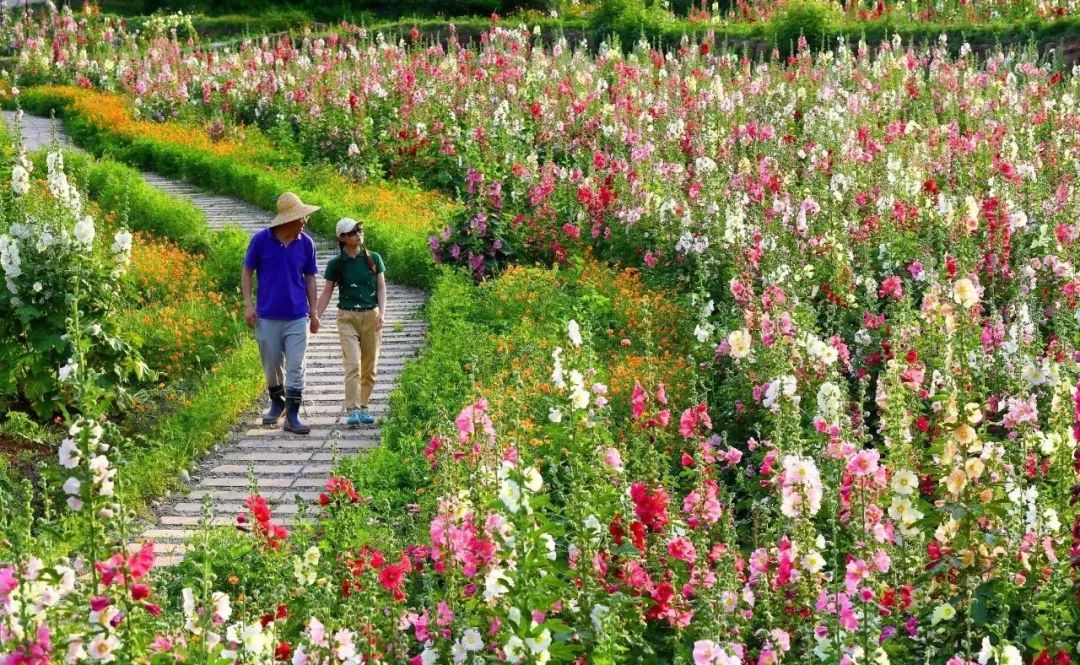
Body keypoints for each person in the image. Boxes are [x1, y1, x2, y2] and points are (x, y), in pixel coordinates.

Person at [242, 192, 322, 435]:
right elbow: (247, 272)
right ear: (287, 220)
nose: (304, 222)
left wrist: (314, 312)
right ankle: (277, 403)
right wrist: (248, 305)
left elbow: (310, 279)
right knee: (272, 365)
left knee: (296, 366)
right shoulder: (260, 241)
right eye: (301, 218)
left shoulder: (306, 243)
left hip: (298, 316)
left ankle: (293, 415)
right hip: (267, 316)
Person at [316, 218, 386, 427]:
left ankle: (363, 406)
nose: (358, 234)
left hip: (371, 316)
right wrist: (316, 316)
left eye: (360, 230)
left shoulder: (373, 259)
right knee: (353, 364)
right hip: (347, 317)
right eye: (353, 231)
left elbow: (381, 288)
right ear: (342, 238)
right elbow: (327, 292)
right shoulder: (336, 264)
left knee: (370, 366)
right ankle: (352, 409)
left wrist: (382, 313)